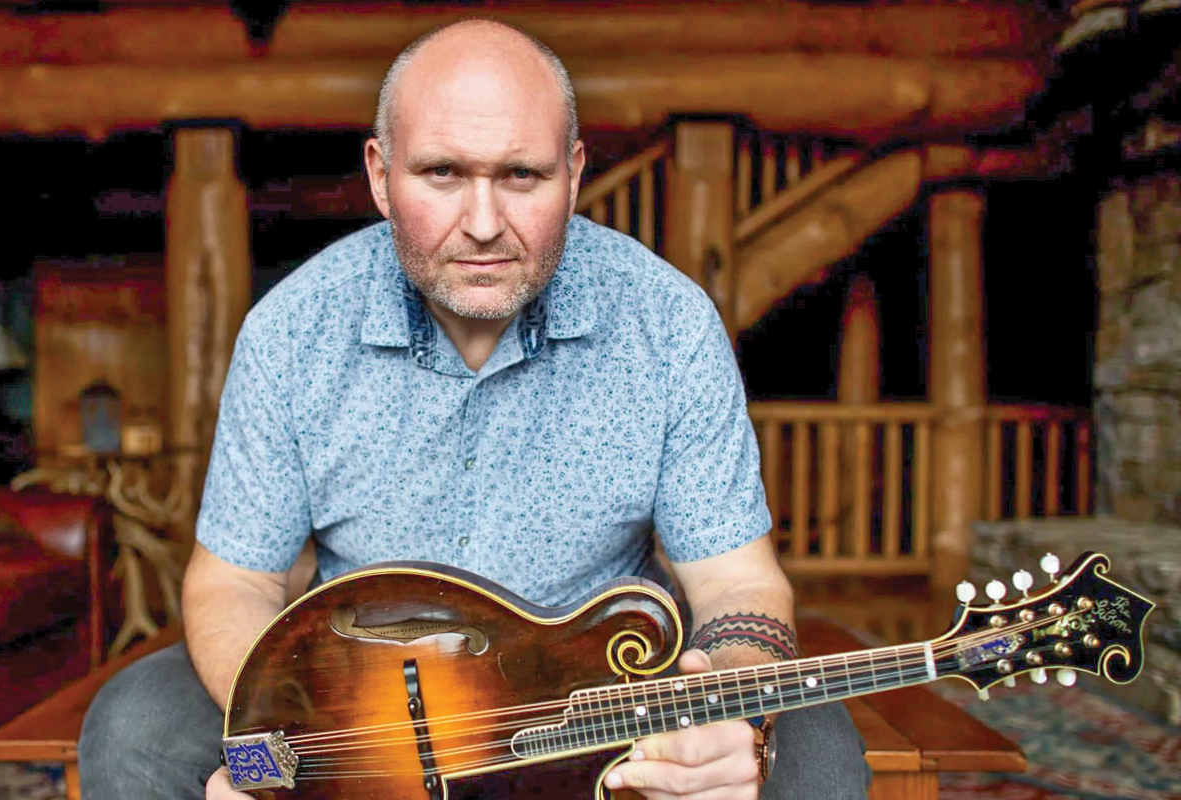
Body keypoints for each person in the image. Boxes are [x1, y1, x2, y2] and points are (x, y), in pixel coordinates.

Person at [79, 19, 870, 800]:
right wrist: (294, 755)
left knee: (818, 753)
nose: (485, 224)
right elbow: (232, 584)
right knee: (134, 730)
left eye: (522, 175)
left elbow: (738, 584)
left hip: (599, 697)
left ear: (574, 171)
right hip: (354, 704)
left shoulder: (668, 322)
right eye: (443, 174)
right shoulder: (293, 330)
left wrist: (734, 719)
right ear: (382, 175)